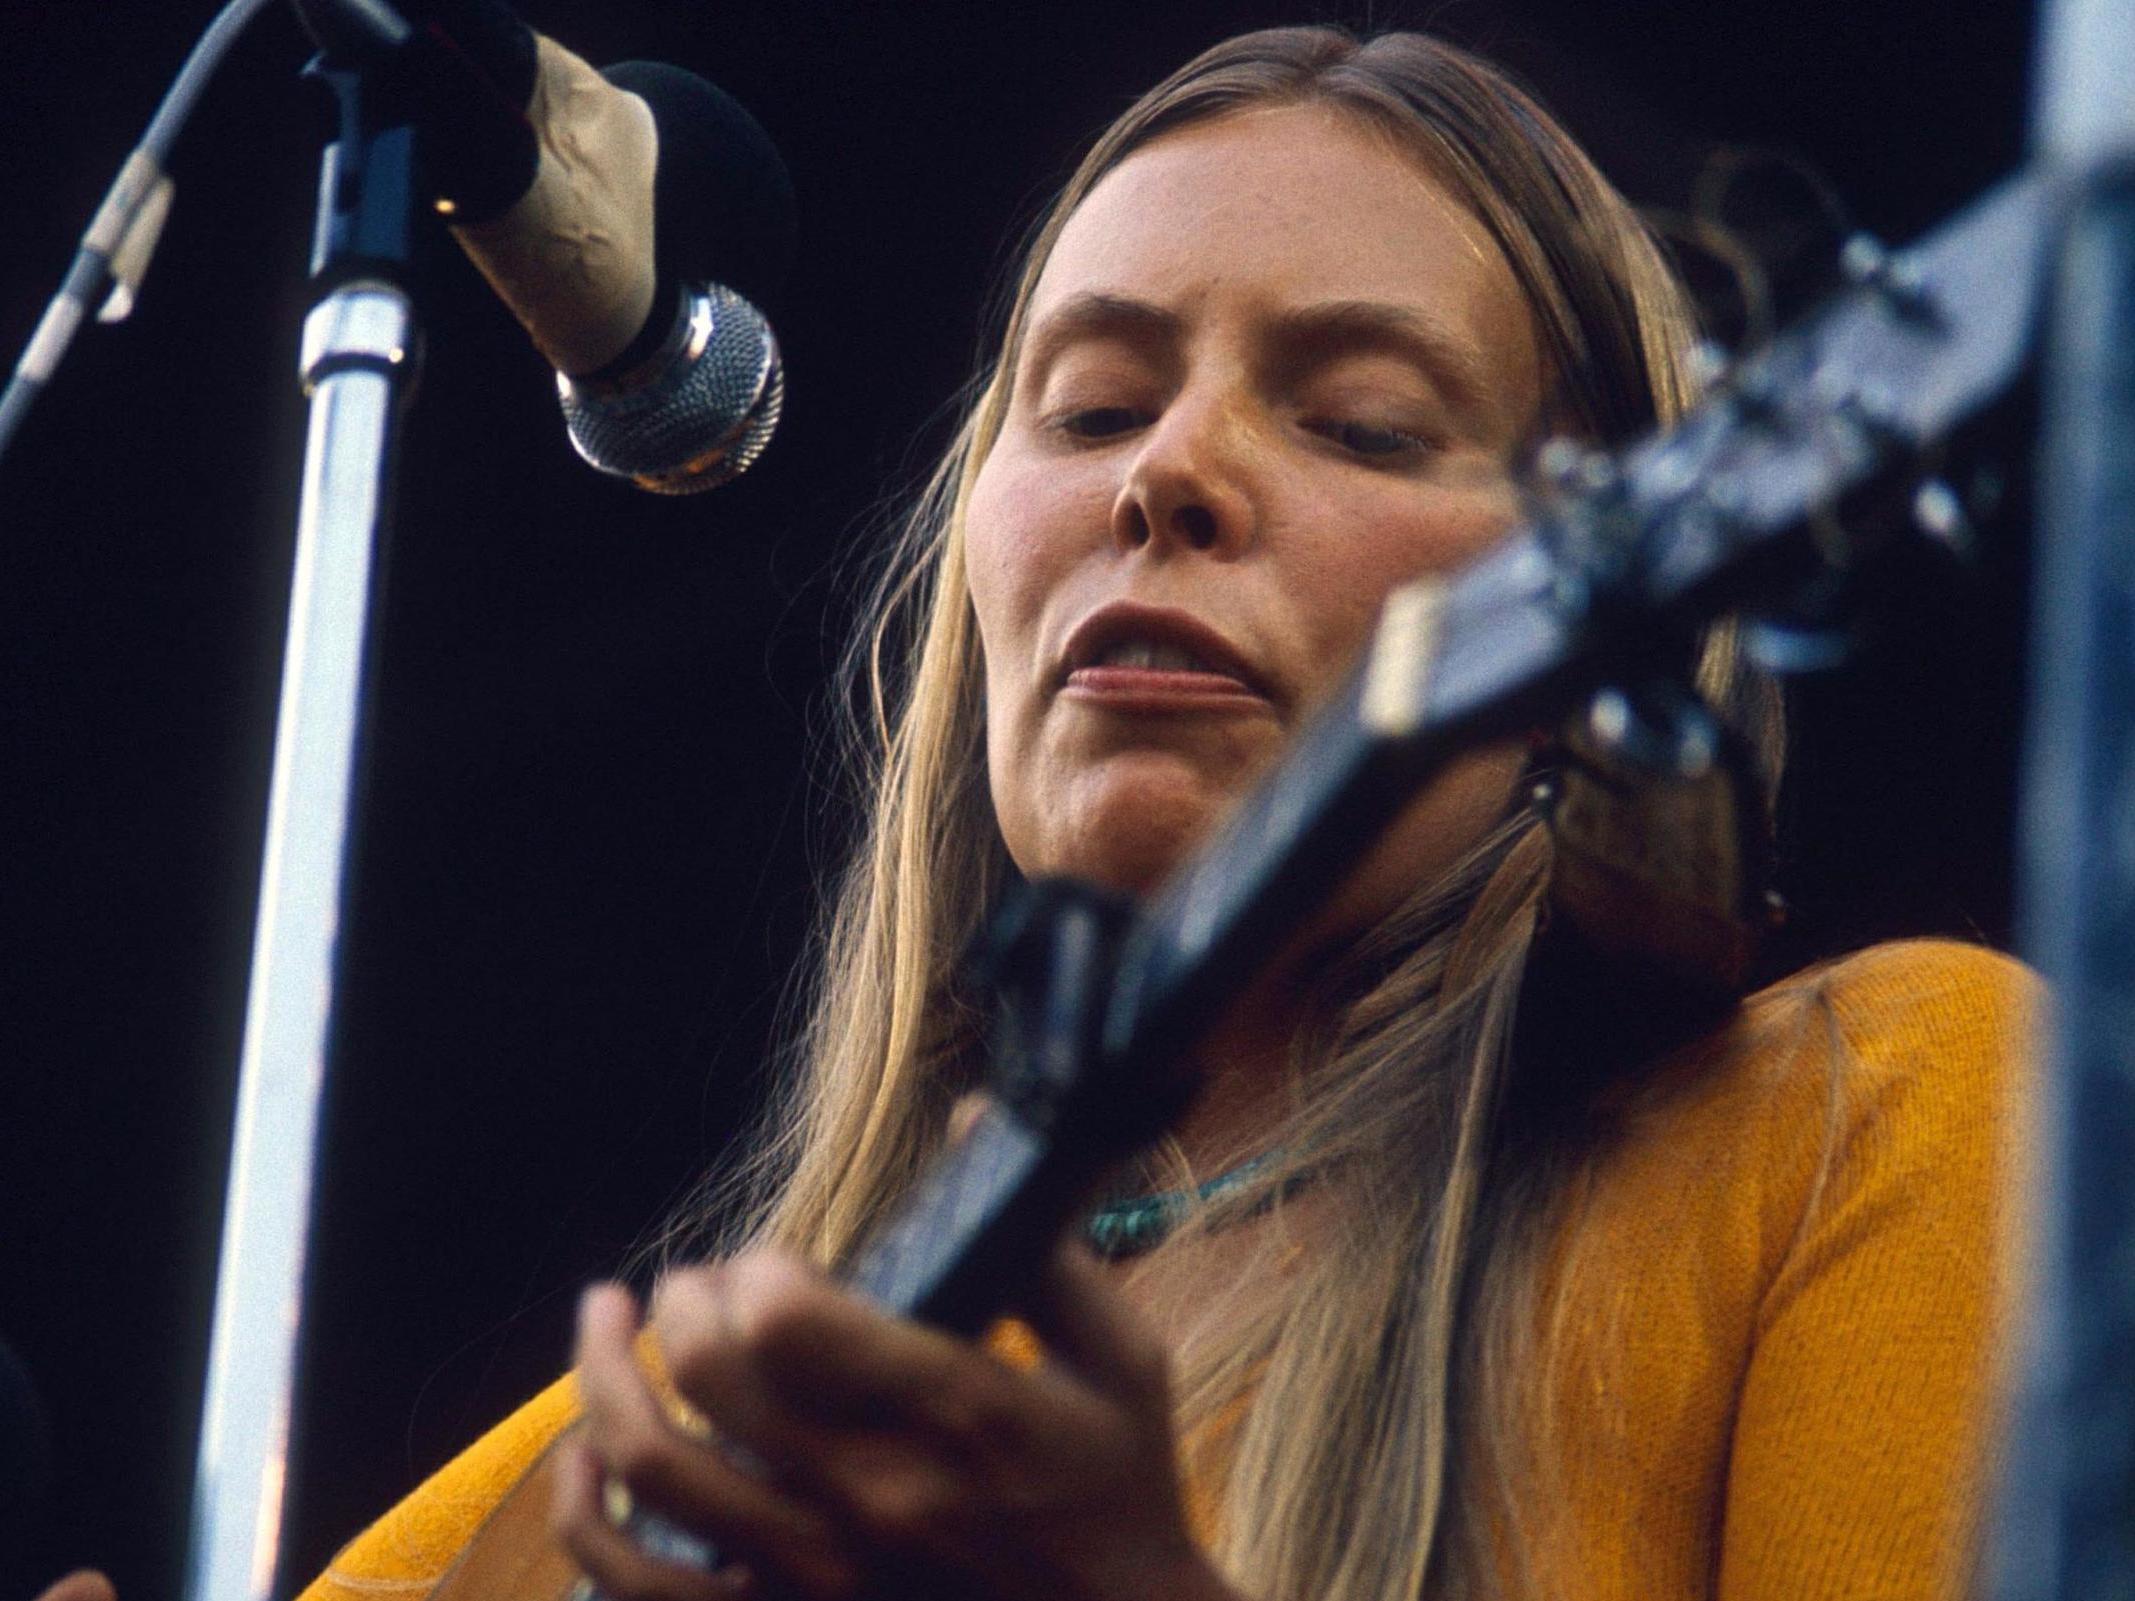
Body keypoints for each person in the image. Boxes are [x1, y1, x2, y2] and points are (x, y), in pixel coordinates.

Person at [43, 22, 2033, 1601]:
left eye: (1358, 420)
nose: (1167, 479)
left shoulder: (1876, 1120)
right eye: (1087, 407)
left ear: (1616, 585)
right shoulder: (656, 1447)